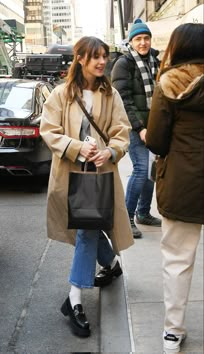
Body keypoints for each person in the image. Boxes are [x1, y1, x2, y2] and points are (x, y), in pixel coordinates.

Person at [40, 36, 134, 337]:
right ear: (80, 58)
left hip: (100, 174)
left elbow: (122, 132)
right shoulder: (60, 94)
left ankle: (75, 299)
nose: (102, 61)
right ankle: (109, 264)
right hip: (70, 174)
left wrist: (110, 151)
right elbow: (49, 131)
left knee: (87, 230)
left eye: (104, 56)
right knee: (88, 227)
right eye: (95, 57)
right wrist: (78, 148)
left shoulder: (111, 94)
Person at [146, 23, 204, 353]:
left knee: (178, 260)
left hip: (183, 180)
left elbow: (156, 141)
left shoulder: (169, 83)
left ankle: (173, 332)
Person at [111, 19, 161, 239]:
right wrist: (140, 127)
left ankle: (143, 212)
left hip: (154, 126)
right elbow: (123, 99)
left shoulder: (156, 62)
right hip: (133, 126)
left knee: (151, 172)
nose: (143, 42)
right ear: (131, 41)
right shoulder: (125, 63)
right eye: (138, 39)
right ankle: (126, 218)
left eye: (146, 38)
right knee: (141, 169)